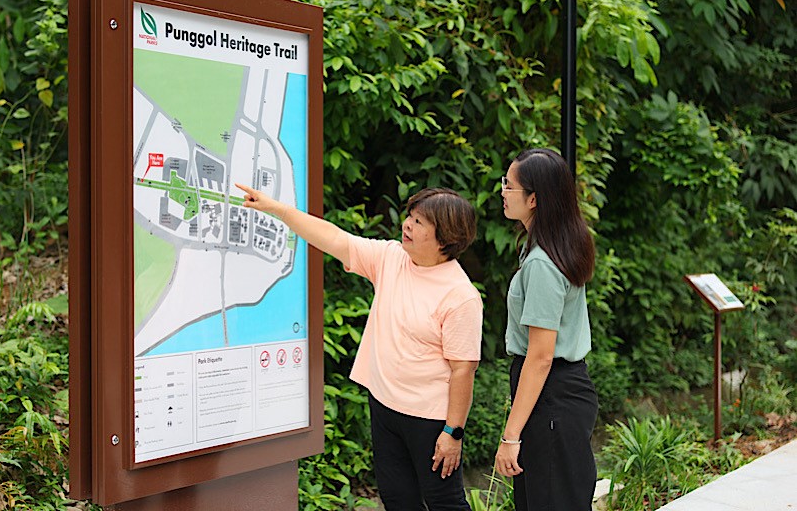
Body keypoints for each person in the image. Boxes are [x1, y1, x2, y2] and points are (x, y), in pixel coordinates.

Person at [236, 183, 482, 510]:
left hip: (430, 419)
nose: (407, 224)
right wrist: (278, 210)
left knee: (444, 502)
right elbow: (336, 239)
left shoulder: (460, 296)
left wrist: (453, 432)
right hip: (384, 405)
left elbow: (463, 369)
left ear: (445, 238)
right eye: (410, 216)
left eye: (420, 222)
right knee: (397, 498)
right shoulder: (392, 258)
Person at [493, 148, 599, 510]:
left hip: (551, 393)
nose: (503, 191)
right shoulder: (556, 245)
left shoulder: (541, 262)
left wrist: (510, 436)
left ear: (534, 198)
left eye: (509, 185)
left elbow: (539, 357)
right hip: (561, 391)